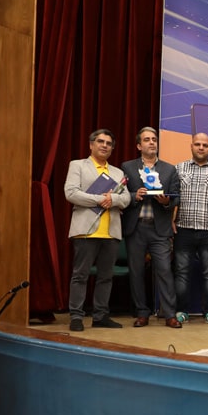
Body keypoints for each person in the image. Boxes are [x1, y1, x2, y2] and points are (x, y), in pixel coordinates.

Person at [64, 129, 131, 332]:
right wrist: (101, 199)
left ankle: (100, 316)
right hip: (85, 230)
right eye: (100, 141)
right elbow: (71, 193)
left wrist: (113, 199)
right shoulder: (77, 165)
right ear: (91, 145)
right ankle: (76, 316)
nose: (104, 145)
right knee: (80, 275)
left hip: (111, 232)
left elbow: (126, 199)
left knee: (106, 277)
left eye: (108, 143)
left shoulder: (118, 172)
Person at [121, 126, 182, 329]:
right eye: (147, 140)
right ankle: (142, 313)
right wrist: (134, 196)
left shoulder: (169, 169)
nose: (152, 142)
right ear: (139, 145)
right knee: (136, 272)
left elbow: (176, 197)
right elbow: (120, 194)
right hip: (136, 227)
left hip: (159, 229)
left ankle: (170, 315)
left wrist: (166, 202)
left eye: (154, 139)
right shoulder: (127, 167)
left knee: (164, 270)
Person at [173, 132, 208, 325]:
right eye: (197, 144)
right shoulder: (179, 168)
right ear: (191, 146)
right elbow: (173, 197)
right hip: (183, 229)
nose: (201, 147)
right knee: (182, 272)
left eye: (205, 145)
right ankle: (181, 311)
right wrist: (171, 220)